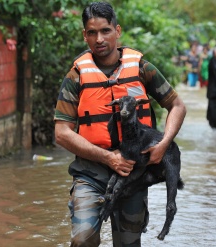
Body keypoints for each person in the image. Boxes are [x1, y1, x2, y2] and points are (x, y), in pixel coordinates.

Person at [53, 2, 187, 246]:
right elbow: (62, 134)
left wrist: (164, 144)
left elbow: (177, 106)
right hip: (89, 174)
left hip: (134, 175)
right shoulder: (76, 76)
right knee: (83, 240)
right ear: (85, 35)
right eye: (92, 33)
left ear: (118, 30)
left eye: (105, 31)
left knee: (128, 243)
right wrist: (108, 158)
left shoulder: (141, 68)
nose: (99, 39)